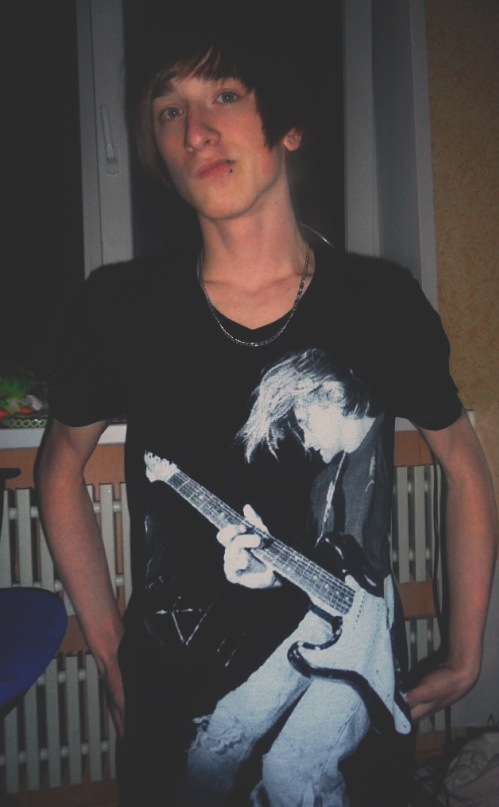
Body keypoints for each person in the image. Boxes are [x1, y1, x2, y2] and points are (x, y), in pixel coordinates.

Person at [35, 9, 498, 807]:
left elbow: (462, 462)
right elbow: (58, 468)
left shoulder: (380, 302)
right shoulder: (118, 308)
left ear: (286, 125)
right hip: (179, 689)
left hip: (347, 663)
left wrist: (464, 651)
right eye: (169, 110)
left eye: (224, 95)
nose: (195, 131)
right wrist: (109, 650)